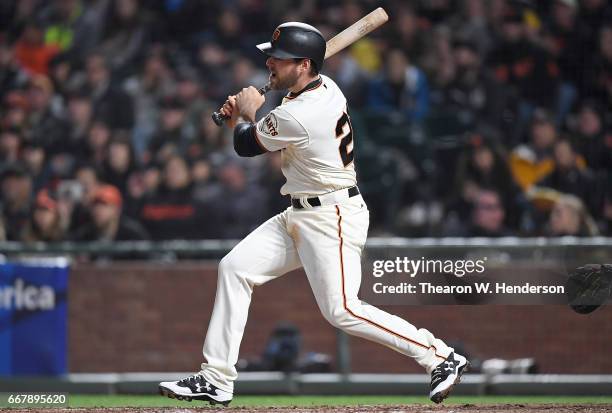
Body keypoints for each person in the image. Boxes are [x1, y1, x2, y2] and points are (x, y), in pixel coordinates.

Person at [159, 22, 468, 406]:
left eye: (281, 59)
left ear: (304, 64)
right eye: (271, 56)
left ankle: (439, 355)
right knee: (235, 268)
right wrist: (254, 105)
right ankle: (216, 378)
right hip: (300, 211)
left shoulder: (300, 114)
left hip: (331, 217)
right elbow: (276, 112)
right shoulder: (322, 88)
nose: (270, 62)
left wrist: (244, 113)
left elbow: (244, 145)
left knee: (342, 310)